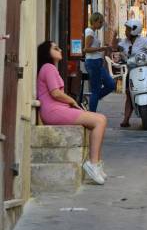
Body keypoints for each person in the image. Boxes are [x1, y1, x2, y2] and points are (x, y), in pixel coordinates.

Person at [37, 41, 107, 185]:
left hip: (57, 110)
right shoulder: (48, 68)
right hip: (53, 111)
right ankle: (93, 164)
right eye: (55, 48)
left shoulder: (50, 68)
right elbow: (55, 93)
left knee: (98, 120)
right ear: (47, 53)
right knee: (99, 120)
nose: (60, 49)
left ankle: (96, 163)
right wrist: (72, 101)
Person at [116, 19, 147, 128]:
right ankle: (126, 119)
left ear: (135, 30)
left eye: (128, 29)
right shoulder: (123, 42)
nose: (126, 31)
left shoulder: (144, 41)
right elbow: (118, 50)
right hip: (132, 71)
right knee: (128, 93)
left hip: (144, 69)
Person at [83, 12, 115, 113]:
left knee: (110, 85)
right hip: (93, 63)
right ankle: (92, 113)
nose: (101, 24)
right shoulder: (90, 32)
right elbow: (86, 49)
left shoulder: (93, 32)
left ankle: (93, 99)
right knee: (96, 89)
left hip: (97, 63)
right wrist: (101, 48)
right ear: (95, 21)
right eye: (100, 22)